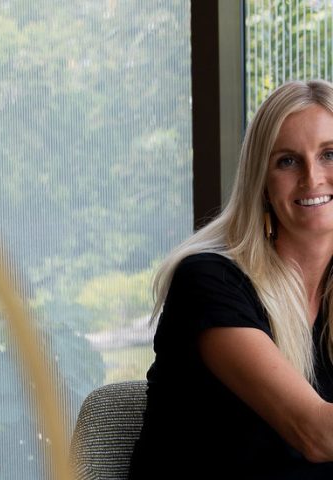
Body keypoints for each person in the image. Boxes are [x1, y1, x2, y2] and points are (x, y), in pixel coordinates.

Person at [129, 79, 333, 479]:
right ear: (262, 184)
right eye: (287, 161)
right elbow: (316, 434)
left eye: (329, 154)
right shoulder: (208, 281)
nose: (313, 178)